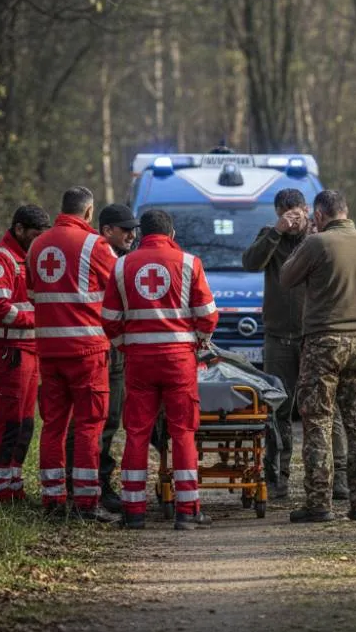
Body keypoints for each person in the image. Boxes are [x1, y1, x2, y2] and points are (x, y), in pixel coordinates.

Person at [102, 208, 219, 530]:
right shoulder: (188, 263)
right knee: (182, 433)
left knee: (137, 433)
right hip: (179, 360)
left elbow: (109, 319)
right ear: (172, 235)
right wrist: (198, 342)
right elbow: (208, 315)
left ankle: (134, 512)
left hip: (139, 361)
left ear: (141, 234)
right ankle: (187, 511)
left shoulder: (122, 264)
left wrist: (126, 343)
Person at [280, 190, 356, 523]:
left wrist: (306, 241)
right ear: (347, 210)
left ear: (320, 216)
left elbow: (286, 278)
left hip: (324, 342)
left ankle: (319, 502)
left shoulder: (316, 244)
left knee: (318, 422)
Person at [242, 188, 349, 502]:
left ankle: (338, 476)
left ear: (307, 210)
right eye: (284, 214)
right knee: (278, 410)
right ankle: (278, 477)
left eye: (296, 212)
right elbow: (250, 263)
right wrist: (276, 233)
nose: (291, 219)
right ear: (276, 214)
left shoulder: (320, 239)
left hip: (314, 337)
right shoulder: (270, 237)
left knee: (329, 408)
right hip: (278, 337)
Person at [27, 186, 119, 522]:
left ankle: (53, 502)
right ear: (89, 211)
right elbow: (119, 285)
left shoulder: (37, 245)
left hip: (48, 352)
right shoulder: (95, 244)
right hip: (87, 351)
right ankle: (85, 503)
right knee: (88, 426)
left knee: (53, 425)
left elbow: (33, 293)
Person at [65, 203, 139, 513]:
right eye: (126, 230)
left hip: (115, 350)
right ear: (107, 231)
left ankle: (100, 482)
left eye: (134, 230)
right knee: (89, 420)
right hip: (95, 347)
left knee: (110, 419)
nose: (132, 235)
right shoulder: (93, 254)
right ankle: (80, 485)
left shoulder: (125, 261)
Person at [0, 204, 50, 504]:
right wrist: (39, 319)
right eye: (34, 236)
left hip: (28, 350)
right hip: (10, 352)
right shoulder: (1, 259)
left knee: (25, 424)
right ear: (19, 229)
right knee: (8, 422)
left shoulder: (27, 259)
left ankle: (14, 484)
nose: (38, 242)